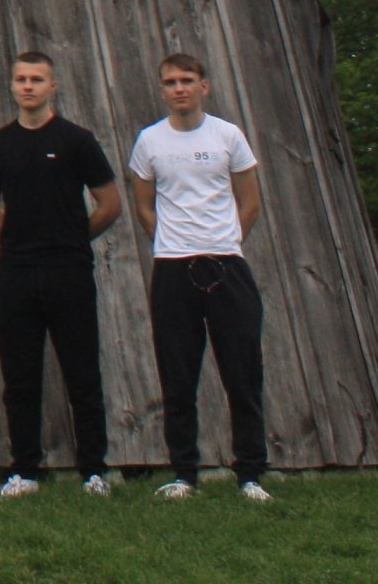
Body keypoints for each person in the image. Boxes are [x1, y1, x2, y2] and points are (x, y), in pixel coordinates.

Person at [0, 50, 122, 499]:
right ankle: (25, 471)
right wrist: (21, 231)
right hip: (16, 273)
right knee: (20, 378)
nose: (29, 86)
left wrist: (72, 235)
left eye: (37, 79)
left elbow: (109, 203)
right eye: (21, 79)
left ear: (53, 86)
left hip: (69, 271)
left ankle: (93, 470)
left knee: (82, 373)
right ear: (12, 86)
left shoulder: (77, 140)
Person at [128, 52, 271, 503]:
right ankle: (184, 474)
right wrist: (173, 243)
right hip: (173, 268)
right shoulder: (149, 141)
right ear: (163, 89)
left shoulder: (228, 135)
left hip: (226, 265)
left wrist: (225, 241)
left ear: (203, 86)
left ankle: (250, 474)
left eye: (187, 80)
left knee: (242, 372)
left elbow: (249, 200)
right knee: (178, 374)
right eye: (170, 82)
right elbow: (144, 205)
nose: (179, 88)